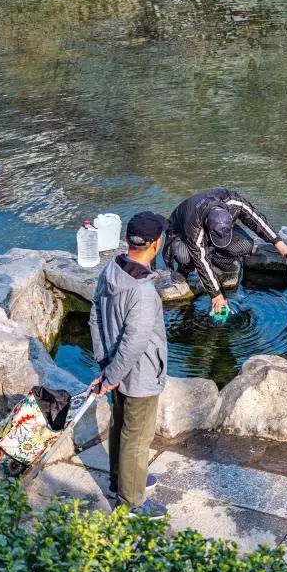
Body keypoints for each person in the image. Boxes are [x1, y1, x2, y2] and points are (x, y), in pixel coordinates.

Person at [89, 211, 169, 518]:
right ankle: (132, 502)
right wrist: (112, 375)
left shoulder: (111, 269)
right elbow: (135, 342)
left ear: (127, 239)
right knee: (137, 437)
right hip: (140, 375)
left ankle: (120, 481)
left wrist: (104, 364)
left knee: (120, 425)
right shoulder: (143, 292)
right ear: (156, 244)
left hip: (113, 365)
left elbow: (94, 314)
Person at [164, 189, 287, 313]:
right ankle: (185, 269)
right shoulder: (194, 225)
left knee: (245, 245)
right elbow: (201, 259)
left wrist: (278, 242)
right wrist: (216, 295)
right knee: (184, 256)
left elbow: (256, 220)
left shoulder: (234, 203)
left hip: (217, 227)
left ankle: (219, 262)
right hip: (181, 232)